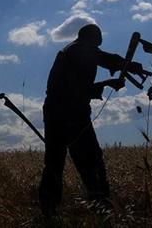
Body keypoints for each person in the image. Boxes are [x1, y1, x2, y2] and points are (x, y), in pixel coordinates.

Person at [38, 24, 146, 216]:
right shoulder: (80, 50)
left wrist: (111, 79)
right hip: (71, 115)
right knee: (91, 160)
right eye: (98, 38)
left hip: (55, 113)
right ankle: (101, 206)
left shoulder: (71, 51)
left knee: (54, 164)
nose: (100, 42)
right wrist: (126, 66)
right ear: (92, 38)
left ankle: (48, 211)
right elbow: (101, 60)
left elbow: (79, 82)